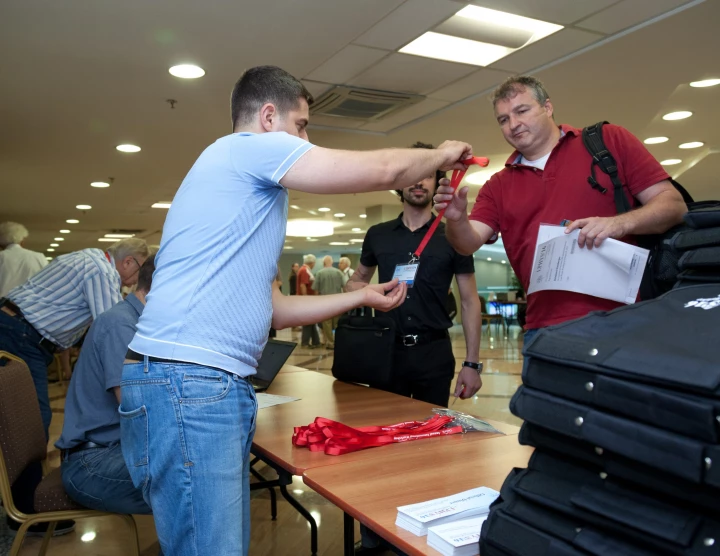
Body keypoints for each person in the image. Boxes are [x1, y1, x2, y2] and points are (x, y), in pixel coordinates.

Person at [119, 65, 472, 556]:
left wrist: (362, 296)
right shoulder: (249, 148)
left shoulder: (241, 192)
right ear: (268, 116)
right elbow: (386, 171)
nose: (306, 137)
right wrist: (441, 155)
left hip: (187, 383)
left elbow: (275, 310)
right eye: (302, 125)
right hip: (192, 383)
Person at [434, 75, 686, 345]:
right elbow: (467, 244)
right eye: (503, 119)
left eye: (522, 110)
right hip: (544, 331)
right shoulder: (497, 185)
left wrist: (618, 224)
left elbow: (673, 206)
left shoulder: (608, 142)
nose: (513, 124)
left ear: (548, 107)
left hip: (624, 321)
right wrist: (457, 219)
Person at [0, 237, 148, 537]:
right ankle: (27, 510)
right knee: (32, 421)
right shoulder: (101, 271)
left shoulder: (89, 258)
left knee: (33, 420)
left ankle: (27, 505)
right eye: (139, 273)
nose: (136, 282)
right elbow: (114, 320)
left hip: (18, 328)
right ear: (129, 261)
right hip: (21, 333)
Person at [348, 142, 483, 408]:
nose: (419, 182)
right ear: (400, 182)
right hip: (385, 351)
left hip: (433, 354)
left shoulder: (454, 235)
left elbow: (469, 301)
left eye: (428, 174)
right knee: (383, 434)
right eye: (412, 174)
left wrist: (472, 363)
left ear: (437, 183)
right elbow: (355, 281)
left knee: (431, 441)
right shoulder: (378, 234)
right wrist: (363, 294)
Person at [56, 255, 157, 516]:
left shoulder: (136, 321)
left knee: (198, 474)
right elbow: (135, 404)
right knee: (198, 484)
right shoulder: (121, 324)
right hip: (92, 463)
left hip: (110, 450)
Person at [0, 221, 47, 297]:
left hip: (3, 304)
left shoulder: (1, 256)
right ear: (22, 240)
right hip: (31, 304)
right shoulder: (39, 257)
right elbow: (46, 281)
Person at [313, 255, 345, 349]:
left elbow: (316, 289)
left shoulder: (319, 273)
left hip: (325, 302)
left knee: (326, 323)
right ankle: (337, 340)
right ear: (331, 262)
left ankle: (330, 342)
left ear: (323, 263)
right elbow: (344, 286)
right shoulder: (339, 272)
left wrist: (315, 301)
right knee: (336, 323)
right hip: (338, 301)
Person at [297, 254, 321, 348]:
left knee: (311, 322)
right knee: (308, 322)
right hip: (306, 300)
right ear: (312, 263)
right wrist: (306, 298)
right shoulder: (304, 270)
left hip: (307, 300)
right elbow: (303, 285)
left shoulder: (305, 270)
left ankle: (316, 341)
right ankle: (305, 342)